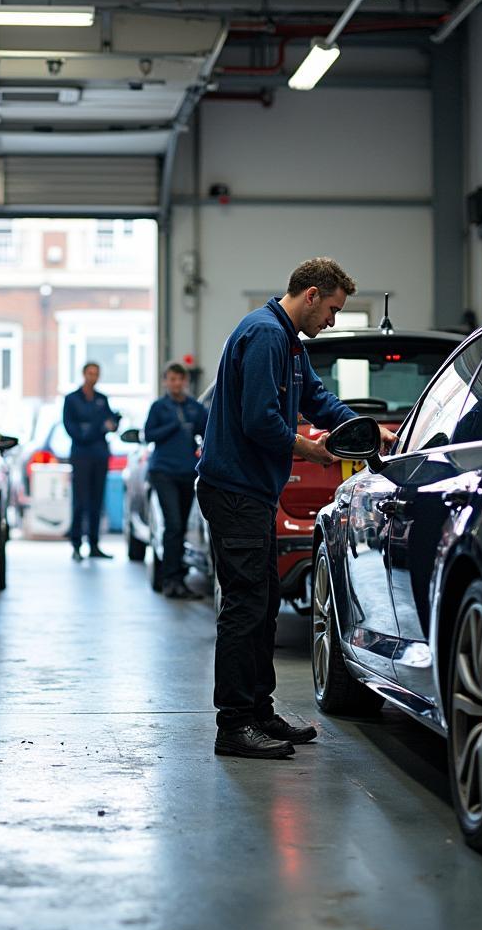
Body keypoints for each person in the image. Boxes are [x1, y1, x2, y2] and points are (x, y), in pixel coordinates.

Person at [196, 258, 396, 760]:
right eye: (331, 309)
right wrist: (312, 449)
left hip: (255, 493)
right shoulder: (264, 334)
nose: (331, 320)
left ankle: (259, 712)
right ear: (310, 295)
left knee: (263, 606)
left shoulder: (287, 343)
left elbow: (317, 397)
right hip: (235, 491)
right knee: (245, 608)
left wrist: (368, 432)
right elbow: (260, 420)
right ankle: (235, 724)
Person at [144, 361, 209, 599]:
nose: (176, 383)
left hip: (187, 473)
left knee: (181, 526)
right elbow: (148, 435)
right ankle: (171, 579)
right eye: (171, 379)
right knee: (172, 525)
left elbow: (208, 430)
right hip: (163, 472)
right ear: (165, 381)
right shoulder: (159, 407)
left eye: (180, 379)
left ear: (186, 382)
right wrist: (173, 425)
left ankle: (175, 578)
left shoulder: (195, 407)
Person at [63, 361, 120, 561]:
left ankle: (94, 544)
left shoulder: (102, 400)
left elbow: (111, 423)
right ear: (83, 374)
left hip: (99, 455)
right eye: (90, 373)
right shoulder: (71, 400)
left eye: (96, 373)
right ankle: (77, 544)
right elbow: (73, 429)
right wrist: (97, 428)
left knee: (97, 500)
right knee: (80, 501)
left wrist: (100, 426)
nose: (93, 377)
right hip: (81, 455)